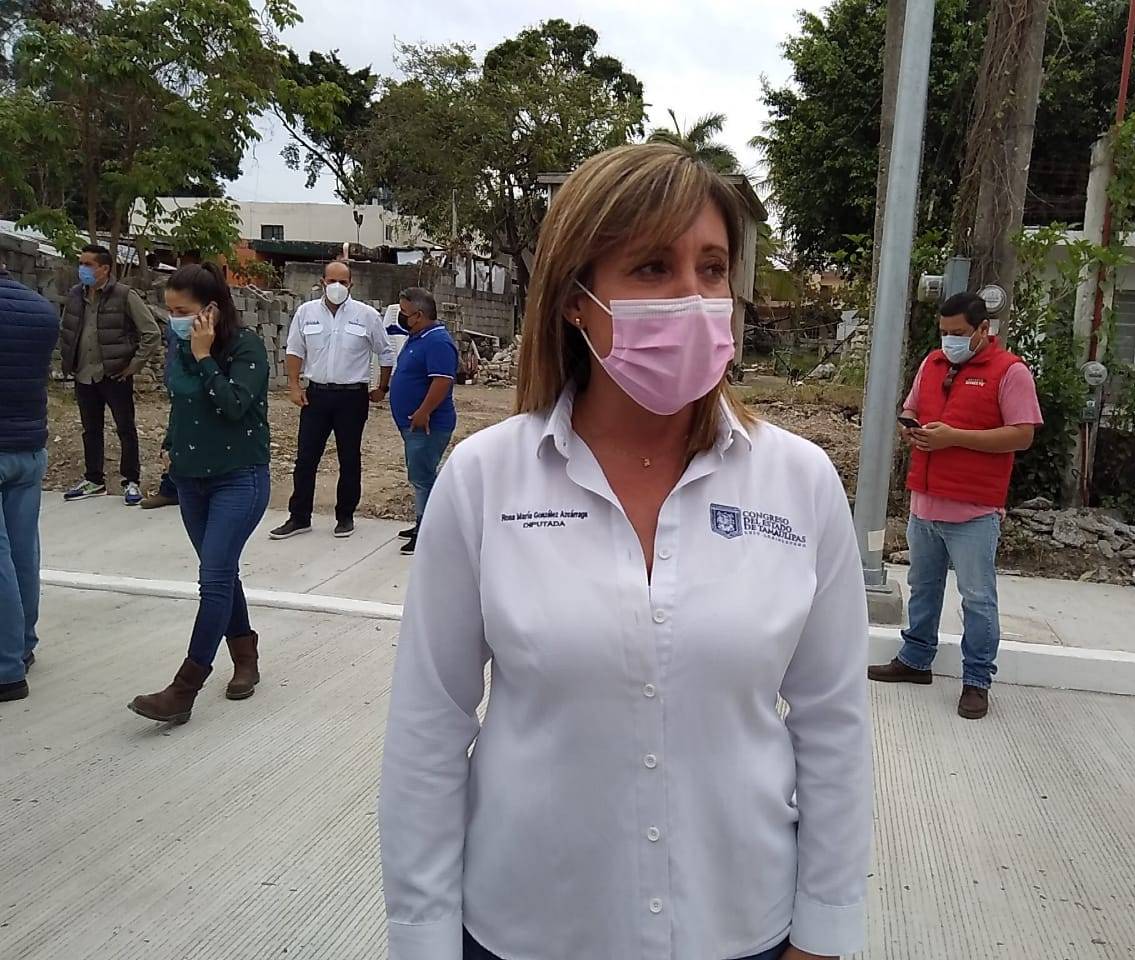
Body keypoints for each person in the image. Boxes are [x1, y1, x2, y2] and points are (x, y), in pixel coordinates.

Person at [380, 144, 872, 960]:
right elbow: (428, 728)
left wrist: (825, 927)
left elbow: (833, 721)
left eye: (711, 269)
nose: (694, 297)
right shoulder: (486, 479)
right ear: (576, 300)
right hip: (527, 931)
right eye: (651, 267)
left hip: (742, 928)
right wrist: (423, 938)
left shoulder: (800, 482)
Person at [868, 292, 1042, 720]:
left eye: (959, 333)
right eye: (944, 333)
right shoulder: (932, 363)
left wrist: (954, 438)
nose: (950, 341)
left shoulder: (1010, 371)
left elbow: (1022, 434)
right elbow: (911, 407)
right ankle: (915, 659)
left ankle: (977, 681)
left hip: (974, 511)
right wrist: (911, 429)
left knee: (977, 599)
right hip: (925, 504)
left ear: (984, 329)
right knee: (922, 587)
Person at [128, 263, 271, 724]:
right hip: (191, 479)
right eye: (170, 310)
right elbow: (182, 400)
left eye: (182, 311)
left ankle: (184, 688)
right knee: (221, 573)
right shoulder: (179, 345)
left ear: (211, 309)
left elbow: (233, 404)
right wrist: (171, 444)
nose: (174, 319)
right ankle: (246, 657)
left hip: (239, 477)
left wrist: (205, 356)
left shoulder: (246, 347)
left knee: (213, 578)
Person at [270, 260, 395, 540]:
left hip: (352, 397)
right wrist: (293, 385)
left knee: (348, 457)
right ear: (322, 282)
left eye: (343, 282)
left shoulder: (366, 315)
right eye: (332, 281)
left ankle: (345, 515)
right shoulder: (306, 312)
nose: (337, 286)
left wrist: (382, 388)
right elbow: (295, 350)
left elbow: (386, 353)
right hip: (316, 395)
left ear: (351, 285)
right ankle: (299, 516)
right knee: (306, 458)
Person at [58, 243, 161, 506]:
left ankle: (131, 480)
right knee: (90, 429)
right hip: (84, 373)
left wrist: (133, 366)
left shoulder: (125, 295)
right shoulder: (75, 295)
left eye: (88, 264)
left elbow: (151, 333)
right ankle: (94, 480)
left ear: (104, 269)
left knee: (125, 428)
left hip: (115, 374)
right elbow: (67, 329)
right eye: (81, 264)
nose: (82, 269)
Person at [0, 265, 59, 703]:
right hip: (29, 446)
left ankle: (6, 669)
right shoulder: (40, 310)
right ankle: (22, 644)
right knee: (23, 552)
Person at [388, 287, 458, 556]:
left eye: (404, 312)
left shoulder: (437, 342)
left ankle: (427, 531)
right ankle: (423, 522)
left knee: (423, 477)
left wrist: (424, 411)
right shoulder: (417, 337)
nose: (401, 316)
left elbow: (442, 380)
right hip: (413, 424)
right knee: (419, 475)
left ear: (418, 315)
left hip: (428, 425)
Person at [140, 308, 181, 509]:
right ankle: (171, 488)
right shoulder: (176, 321)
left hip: (198, 388)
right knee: (174, 439)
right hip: (178, 386)